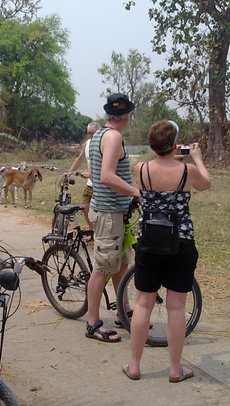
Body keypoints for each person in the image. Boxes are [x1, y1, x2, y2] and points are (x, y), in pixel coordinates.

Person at [121, 120, 211, 382]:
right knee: (175, 307)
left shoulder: (141, 169)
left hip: (149, 241)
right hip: (180, 242)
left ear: (152, 144)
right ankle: (175, 369)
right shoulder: (188, 171)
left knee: (142, 304)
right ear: (175, 145)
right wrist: (197, 157)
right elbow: (205, 184)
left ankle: (134, 365)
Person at [84, 93, 140, 343]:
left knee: (121, 264)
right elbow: (106, 176)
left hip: (115, 212)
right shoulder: (114, 136)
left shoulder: (99, 134)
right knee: (102, 269)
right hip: (108, 213)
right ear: (128, 116)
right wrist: (136, 191)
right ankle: (93, 322)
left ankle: (124, 310)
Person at [68, 121, 101, 234]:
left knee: (99, 211)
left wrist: (91, 174)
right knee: (85, 207)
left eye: (98, 133)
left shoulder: (103, 144)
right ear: (88, 134)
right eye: (93, 133)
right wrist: (70, 172)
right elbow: (80, 158)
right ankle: (92, 230)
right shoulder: (86, 144)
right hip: (91, 183)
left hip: (101, 183)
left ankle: (98, 232)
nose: (96, 136)